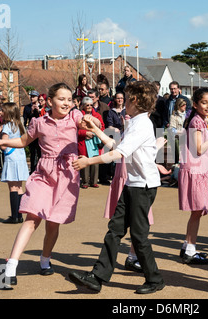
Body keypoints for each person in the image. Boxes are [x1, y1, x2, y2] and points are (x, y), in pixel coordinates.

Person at [0, 83, 84, 290]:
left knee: (53, 223)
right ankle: (11, 265)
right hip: (44, 174)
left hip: (67, 175)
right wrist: (1, 142)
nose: (66, 103)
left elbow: (86, 122)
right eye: (61, 99)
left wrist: (90, 120)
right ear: (50, 101)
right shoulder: (38, 122)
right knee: (32, 218)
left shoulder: (75, 117)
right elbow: (23, 141)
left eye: (69, 99)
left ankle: (45, 259)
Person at [68, 81, 165, 295]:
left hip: (144, 186)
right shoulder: (137, 122)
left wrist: (89, 162)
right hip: (134, 184)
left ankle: (155, 279)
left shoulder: (141, 124)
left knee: (139, 236)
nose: (123, 101)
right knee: (115, 230)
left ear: (135, 101)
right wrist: (96, 129)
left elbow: (118, 154)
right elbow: (117, 146)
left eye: (128, 97)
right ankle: (97, 277)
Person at [178, 88, 208, 265]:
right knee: (197, 211)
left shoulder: (199, 119)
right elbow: (199, 148)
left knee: (197, 212)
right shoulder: (197, 122)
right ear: (196, 104)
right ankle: (190, 249)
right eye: (204, 102)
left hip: (198, 169)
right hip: (195, 170)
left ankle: (188, 246)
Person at [0, 102, 30, 224]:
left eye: (2, 110)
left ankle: (14, 216)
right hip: (20, 156)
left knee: (12, 188)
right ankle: (20, 215)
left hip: (11, 158)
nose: (1, 113)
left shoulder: (6, 127)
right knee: (19, 187)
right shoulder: (19, 125)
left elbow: (3, 146)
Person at [77, 97, 104, 189]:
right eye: (87, 105)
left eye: (91, 105)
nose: (89, 107)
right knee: (85, 161)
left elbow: (102, 127)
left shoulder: (97, 116)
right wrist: (85, 133)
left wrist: (96, 132)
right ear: (83, 106)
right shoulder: (79, 116)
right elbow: (75, 130)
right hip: (83, 141)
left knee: (95, 162)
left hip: (94, 142)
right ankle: (85, 181)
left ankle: (94, 181)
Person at [23, 90, 41, 173]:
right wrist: (31, 111)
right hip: (31, 131)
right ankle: (33, 170)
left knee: (40, 151)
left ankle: (40, 168)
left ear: (37, 97)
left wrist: (38, 111)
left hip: (40, 132)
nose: (32, 98)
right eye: (31, 96)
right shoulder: (27, 107)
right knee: (32, 151)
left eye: (34, 96)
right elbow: (25, 119)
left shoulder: (41, 106)